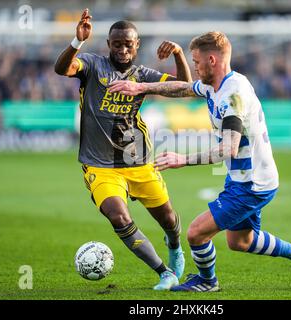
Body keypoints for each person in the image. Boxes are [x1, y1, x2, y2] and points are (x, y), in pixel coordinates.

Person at [109, 31, 291, 292]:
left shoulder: (234, 95)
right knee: (241, 241)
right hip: (243, 178)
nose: (195, 68)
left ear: (212, 60)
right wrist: (142, 87)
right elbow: (184, 88)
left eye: (196, 62)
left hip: (252, 183)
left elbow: (229, 149)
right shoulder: (214, 85)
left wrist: (182, 159)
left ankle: (208, 282)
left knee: (196, 233)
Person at [54, 9, 192, 290]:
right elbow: (62, 69)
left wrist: (178, 54)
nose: (123, 49)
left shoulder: (143, 75)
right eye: (117, 44)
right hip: (99, 165)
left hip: (138, 160)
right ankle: (164, 272)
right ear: (108, 45)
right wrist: (77, 42)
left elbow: (186, 89)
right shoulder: (92, 66)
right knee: (119, 216)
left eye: (128, 44)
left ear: (137, 45)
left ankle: (175, 247)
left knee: (167, 218)